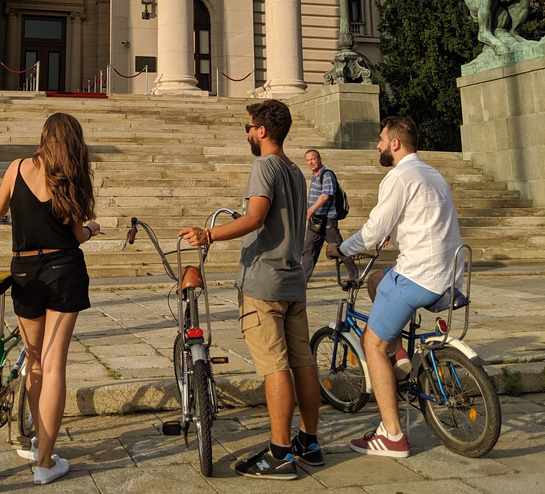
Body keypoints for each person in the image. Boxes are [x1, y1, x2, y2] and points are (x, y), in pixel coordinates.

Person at [179, 99, 322, 480]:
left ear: (261, 131)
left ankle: (279, 454)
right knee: (303, 362)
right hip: (294, 281)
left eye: (248, 127)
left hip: (264, 282)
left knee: (275, 367)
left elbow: (256, 217)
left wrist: (208, 233)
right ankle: (308, 442)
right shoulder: (295, 171)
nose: (246, 133)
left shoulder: (264, 165)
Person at [326, 116, 464, 458]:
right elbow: (425, 219)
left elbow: (372, 232)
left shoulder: (398, 176)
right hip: (450, 274)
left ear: (395, 143)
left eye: (381, 139)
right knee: (376, 280)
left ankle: (392, 435)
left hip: (420, 276)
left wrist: (341, 248)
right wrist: (398, 230)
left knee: (370, 343)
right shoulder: (433, 174)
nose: (378, 145)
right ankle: (398, 352)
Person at [0, 113, 99, 485]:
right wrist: (93, 228)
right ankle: (45, 462)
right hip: (63, 269)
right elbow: (78, 234)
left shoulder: (16, 168)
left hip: (24, 271)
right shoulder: (72, 178)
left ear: (44, 137)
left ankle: (38, 444)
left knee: (34, 361)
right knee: (53, 366)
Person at [301, 149, 357, 283]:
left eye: (313, 159)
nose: (311, 162)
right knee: (308, 250)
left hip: (327, 221)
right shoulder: (314, 176)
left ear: (319, 159)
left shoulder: (326, 175)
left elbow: (325, 195)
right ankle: (302, 281)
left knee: (340, 248)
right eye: (308, 160)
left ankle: (354, 276)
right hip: (315, 221)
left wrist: (311, 209)